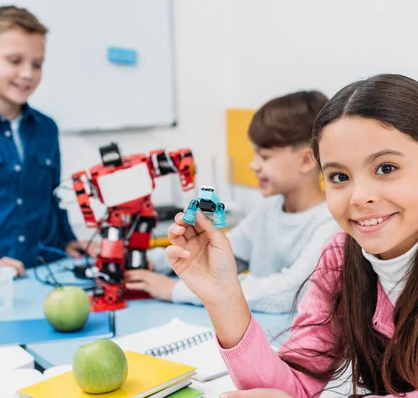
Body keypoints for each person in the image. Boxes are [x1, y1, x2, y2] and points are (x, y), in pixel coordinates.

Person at [165, 74, 418, 397]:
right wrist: (223, 297)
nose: (361, 197)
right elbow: (293, 386)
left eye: (386, 168)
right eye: (340, 176)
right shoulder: (339, 255)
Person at [126, 90, 340, 313]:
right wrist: (149, 260)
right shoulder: (269, 209)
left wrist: (175, 290)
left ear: (307, 159)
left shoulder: (331, 224)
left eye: (264, 156)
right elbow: (224, 254)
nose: (253, 165)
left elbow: (289, 294)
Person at [0, 6, 96, 276]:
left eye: (37, 64)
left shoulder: (46, 128)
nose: (27, 73)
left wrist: (69, 239)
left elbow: (53, 196)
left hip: (48, 272)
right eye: (14, 60)